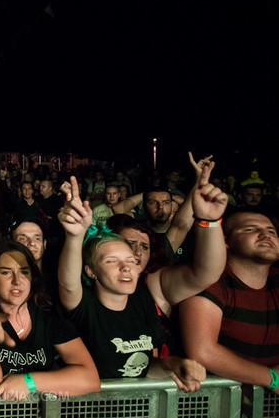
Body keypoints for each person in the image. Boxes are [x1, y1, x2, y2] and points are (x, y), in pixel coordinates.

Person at [56, 167, 227, 390]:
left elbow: (144, 369)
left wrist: (173, 365)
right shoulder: (84, 306)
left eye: (130, 260)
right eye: (112, 261)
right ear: (90, 271)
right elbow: (67, 284)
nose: (127, 266)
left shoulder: (143, 301)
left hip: (137, 408)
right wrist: (74, 236)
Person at [0, 241, 99, 401]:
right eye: (6, 273)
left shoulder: (46, 312)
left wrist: (28, 382)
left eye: (24, 272)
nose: (17, 281)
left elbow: (89, 379)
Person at [179, 211, 279, 392]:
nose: (265, 235)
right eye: (250, 229)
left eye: (272, 231)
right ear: (225, 241)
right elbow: (203, 352)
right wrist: (272, 379)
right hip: (220, 408)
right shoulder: (208, 282)